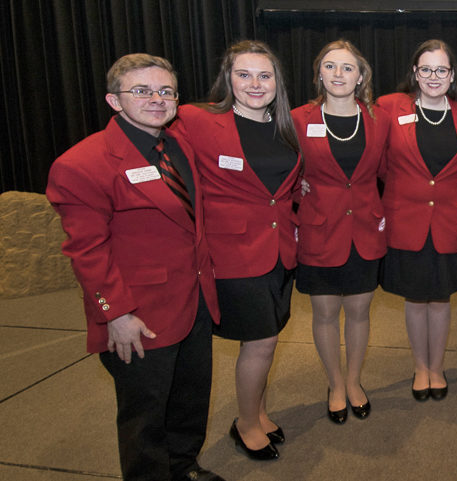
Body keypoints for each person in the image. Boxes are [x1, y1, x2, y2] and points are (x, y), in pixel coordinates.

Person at [47, 53, 223, 481]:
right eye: (142, 91)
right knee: (145, 416)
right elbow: (87, 251)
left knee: (190, 399)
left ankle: (184, 468)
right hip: (138, 315)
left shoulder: (179, 146)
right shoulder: (81, 164)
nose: (157, 99)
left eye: (166, 91)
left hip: (195, 300)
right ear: (113, 100)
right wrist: (115, 313)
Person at [174, 40, 302, 461]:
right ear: (227, 79)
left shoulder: (285, 125)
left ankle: (258, 412)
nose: (255, 83)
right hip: (234, 253)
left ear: (277, 82)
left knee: (267, 339)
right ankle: (246, 424)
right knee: (260, 341)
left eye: (264, 76)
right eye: (243, 74)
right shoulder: (197, 119)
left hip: (281, 249)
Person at [292, 39, 387, 422]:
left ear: (361, 76)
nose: (338, 74)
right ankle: (334, 383)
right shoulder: (299, 119)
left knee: (360, 310)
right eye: (330, 66)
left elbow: (387, 171)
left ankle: (354, 380)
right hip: (319, 229)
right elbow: (281, 166)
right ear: (319, 74)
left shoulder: (378, 119)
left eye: (347, 68)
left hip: (365, 227)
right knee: (326, 312)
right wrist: (296, 186)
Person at [378, 39, 457, 402]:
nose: (434, 76)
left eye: (442, 70)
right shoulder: (390, 107)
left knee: (441, 298)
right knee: (416, 299)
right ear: (414, 73)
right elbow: (377, 160)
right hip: (408, 219)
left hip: (450, 221)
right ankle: (421, 366)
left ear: (452, 75)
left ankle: (438, 366)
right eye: (426, 69)